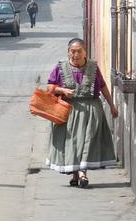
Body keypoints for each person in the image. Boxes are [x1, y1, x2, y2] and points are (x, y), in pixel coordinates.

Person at [45, 38, 119, 187]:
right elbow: (49, 87)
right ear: (68, 52)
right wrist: (63, 90)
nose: (76, 54)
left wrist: (112, 105)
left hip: (91, 111)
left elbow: (103, 87)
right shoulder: (60, 68)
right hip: (68, 111)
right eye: (73, 51)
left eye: (79, 51)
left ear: (85, 52)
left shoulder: (93, 67)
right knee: (72, 143)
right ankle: (75, 174)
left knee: (87, 141)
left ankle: (82, 173)